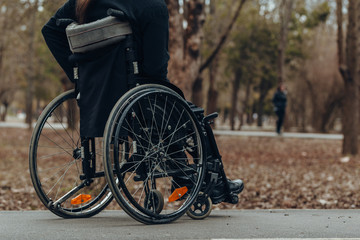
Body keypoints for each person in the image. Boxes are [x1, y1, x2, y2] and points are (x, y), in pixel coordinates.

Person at [42, 0, 243, 203]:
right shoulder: (151, 6)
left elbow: (50, 30)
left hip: (96, 96)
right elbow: (155, 68)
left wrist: (78, 77)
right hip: (137, 99)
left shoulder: (83, 3)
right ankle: (213, 183)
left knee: (166, 109)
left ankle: (184, 180)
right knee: (190, 114)